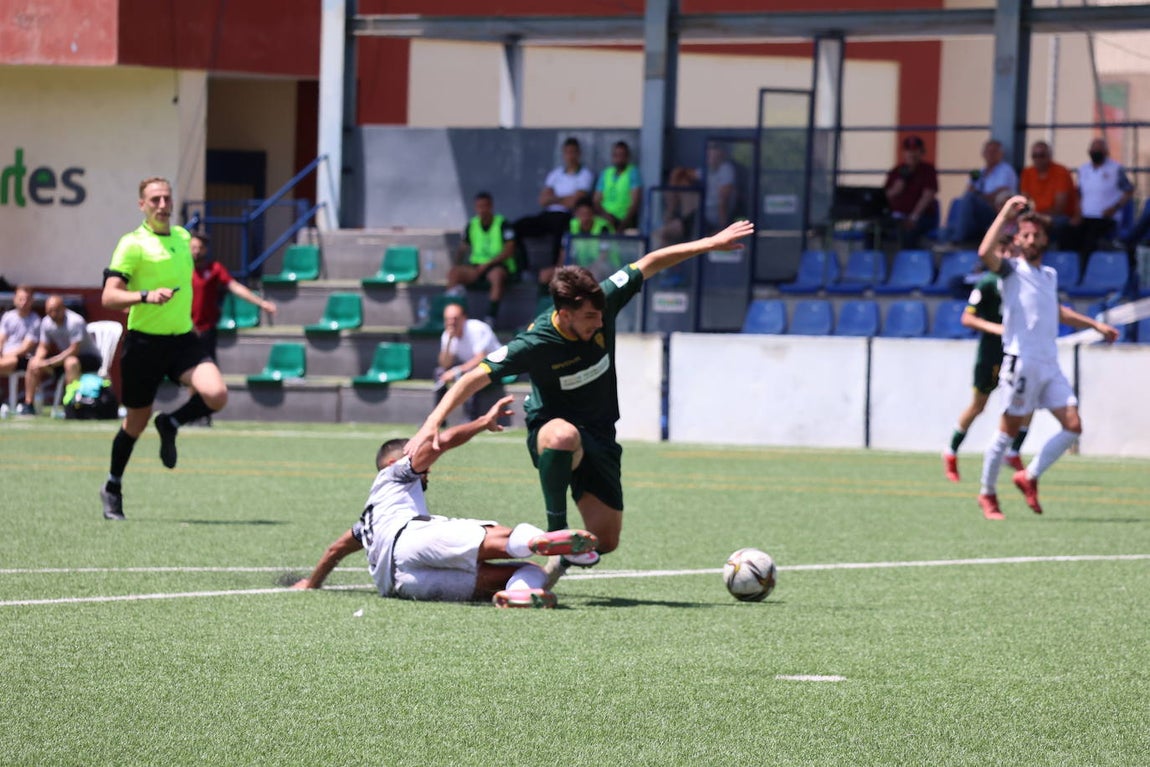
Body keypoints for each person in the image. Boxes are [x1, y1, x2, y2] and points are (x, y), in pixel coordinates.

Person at [405, 219, 755, 585]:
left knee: (605, 540)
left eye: (600, 313)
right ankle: (557, 533)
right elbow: (476, 375)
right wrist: (432, 423)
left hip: (600, 435)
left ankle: (557, 560)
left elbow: (650, 262)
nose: (599, 321)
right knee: (561, 436)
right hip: (552, 430)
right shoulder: (536, 342)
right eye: (590, 317)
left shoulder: (602, 301)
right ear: (565, 312)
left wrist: (710, 243)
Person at [291, 395, 599, 609]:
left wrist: (312, 583)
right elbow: (443, 441)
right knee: (504, 538)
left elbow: (335, 549)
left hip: (402, 585)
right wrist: (482, 422)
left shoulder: (367, 522)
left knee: (523, 573)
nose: (426, 472)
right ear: (394, 462)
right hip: (411, 539)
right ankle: (538, 539)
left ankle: (520, 594)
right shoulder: (394, 475)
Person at [974, 195, 1119, 520]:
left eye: (1034, 234)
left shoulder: (1049, 276)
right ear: (1018, 239)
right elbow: (984, 253)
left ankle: (1029, 475)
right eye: (1024, 234)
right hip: (1021, 362)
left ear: (1043, 239)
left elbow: (1057, 312)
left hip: (1048, 363)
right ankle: (987, 493)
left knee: (1073, 426)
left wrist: (1095, 324)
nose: (1029, 239)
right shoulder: (1011, 271)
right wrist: (1006, 215)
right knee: (1007, 432)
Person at [99, 177, 229, 521]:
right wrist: (145, 296)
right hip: (143, 344)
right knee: (135, 424)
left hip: (182, 340)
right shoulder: (132, 244)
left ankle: (170, 422)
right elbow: (109, 296)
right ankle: (112, 487)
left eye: (166, 198)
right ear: (142, 204)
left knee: (216, 394)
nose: (161, 204)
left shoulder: (184, 238)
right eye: (154, 199)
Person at [941, 236, 1031, 483]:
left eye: (1012, 251)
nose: (1009, 256)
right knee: (979, 405)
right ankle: (951, 452)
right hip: (991, 353)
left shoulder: (1022, 282)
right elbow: (967, 319)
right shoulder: (988, 282)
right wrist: (998, 329)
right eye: (1004, 251)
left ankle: (1013, 453)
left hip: (1015, 353)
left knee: (1026, 404)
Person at [515, 137, 595, 288]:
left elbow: (575, 201)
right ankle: (524, 268)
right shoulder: (555, 174)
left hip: (566, 215)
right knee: (518, 226)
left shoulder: (585, 174)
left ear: (578, 154)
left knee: (561, 230)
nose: (570, 156)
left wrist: (554, 198)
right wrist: (563, 198)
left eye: (573, 152)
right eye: (567, 152)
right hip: (548, 215)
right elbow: (543, 200)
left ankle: (555, 273)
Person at [190, 231, 276, 362]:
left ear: (206, 249)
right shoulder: (183, 270)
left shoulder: (214, 269)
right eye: (193, 248)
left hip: (206, 329)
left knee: (207, 367)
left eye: (200, 248)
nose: (196, 251)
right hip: (185, 328)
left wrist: (261, 303)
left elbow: (235, 287)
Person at [20, 295, 102, 416]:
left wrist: (49, 363)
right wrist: (38, 360)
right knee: (33, 363)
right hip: (64, 359)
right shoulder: (47, 322)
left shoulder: (75, 321)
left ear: (63, 308)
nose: (53, 313)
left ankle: (71, 405)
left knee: (71, 362)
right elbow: (43, 347)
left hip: (89, 359)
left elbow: (74, 350)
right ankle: (29, 405)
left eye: (56, 310)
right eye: (49, 310)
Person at [444, 192, 517, 327]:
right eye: (479, 207)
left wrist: (488, 264)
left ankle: (491, 317)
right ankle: (453, 315)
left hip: (498, 265)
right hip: (477, 267)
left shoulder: (503, 223)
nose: (482, 210)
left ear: (491, 207)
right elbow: (463, 248)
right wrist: (458, 265)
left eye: (485, 206)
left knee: (497, 276)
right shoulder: (472, 224)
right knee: (454, 273)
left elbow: (509, 250)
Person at [942, 138, 1018, 246]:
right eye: (988, 151)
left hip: (993, 212)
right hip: (976, 212)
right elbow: (968, 190)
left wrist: (979, 195)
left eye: (994, 152)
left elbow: (1000, 194)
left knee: (970, 199)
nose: (990, 155)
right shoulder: (977, 172)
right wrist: (980, 195)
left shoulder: (1006, 170)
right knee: (947, 229)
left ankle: (957, 240)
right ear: (983, 153)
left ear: (1001, 154)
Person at [435, 301, 502, 421]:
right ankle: (439, 419)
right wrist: (449, 341)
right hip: (472, 368)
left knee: (470, 374)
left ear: (463, 318)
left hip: (497, 367)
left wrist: (456, 371)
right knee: (439, 373)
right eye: (448, 319)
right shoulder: (447, 334)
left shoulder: (477, 329)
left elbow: (481, 358)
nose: (451, 322)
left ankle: (470, 419)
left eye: (455, 318)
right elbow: (445, 364)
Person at [1074, 137, 1134, 267]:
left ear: (1106, 151)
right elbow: (1078, 194)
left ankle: (1085, 273)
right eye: (1094, 149)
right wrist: (1077, 213)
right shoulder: (1083, 170)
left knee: (1090, 237)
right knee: (1069, 234)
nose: (1096, 152)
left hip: (1106, 218)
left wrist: (1115, 207)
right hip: (1086, 217)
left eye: (1099, 149)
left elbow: (1129, 191)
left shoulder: (1116, 169)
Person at [883, 135, 940, 250]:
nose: (911, 154)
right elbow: (883, 197)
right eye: (908, 150)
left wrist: (914, 217)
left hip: (921, 217)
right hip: (896, 216)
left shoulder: (928, 170)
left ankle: (906, 265)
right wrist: (895, 190)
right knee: (873, 231)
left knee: (908, 232)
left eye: (915, 150)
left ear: (921, 152)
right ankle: (877, 264)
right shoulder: (896, 171)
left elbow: (927, 196)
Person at [1018, 141, 1076, 249]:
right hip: (1036, 216)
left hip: (1059, 217)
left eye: (1042, 155)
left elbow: (1060, 208)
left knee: (1055, 223)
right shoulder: (1027, 173)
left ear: (1049, 156)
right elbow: (1024, 201)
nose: (1038, 159)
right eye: (1035, 156)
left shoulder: (1060, 172)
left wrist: (1038, 216)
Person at [0, 285, 42, 404]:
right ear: (15, 299)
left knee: (12, 360)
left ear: (32, 301)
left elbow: (26, 347)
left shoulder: (35, 320)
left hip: (24, 359)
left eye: (27, 299)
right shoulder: (8, 316)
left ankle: (28, 405)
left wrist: (6, 356)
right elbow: (1, 338)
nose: (23, 302)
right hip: (4, 358)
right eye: (20, 299)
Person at [593, 140, 642, 232]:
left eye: (622, 155)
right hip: (605, 219)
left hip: (623, 220)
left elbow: (635, 202)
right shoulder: (606, 173)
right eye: (616, 155)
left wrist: (623, 224)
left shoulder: (632, 172)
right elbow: (596, 200)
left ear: (627, 157)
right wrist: (605, 215)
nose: (619, 158)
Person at [564, 198, 618, 282]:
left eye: (587, 214)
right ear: (576, 214)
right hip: (582, 267)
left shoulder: (603, 227)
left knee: (594, 273)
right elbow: (564, 252)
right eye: (582, 214)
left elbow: (604, 256)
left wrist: (586, 270)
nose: (585, 218)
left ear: (593, 214)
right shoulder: (571, 226)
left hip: (609, 266)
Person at [703, 142, 737, 234]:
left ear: (721, 153)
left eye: (714, 149)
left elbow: (723, 201)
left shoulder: (726, 169)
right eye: (708, 149)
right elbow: (686, 175)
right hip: (702, 218)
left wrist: (723, 229)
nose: (710, 152)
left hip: (719, 222)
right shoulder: (706, 170)